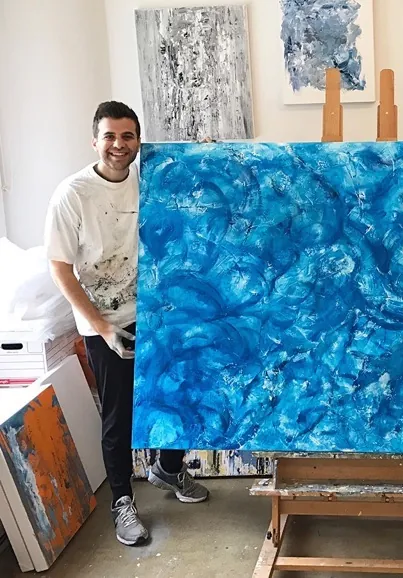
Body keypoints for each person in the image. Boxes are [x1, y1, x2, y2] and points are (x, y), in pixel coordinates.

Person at [44, 101, 209, 547]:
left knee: (182, 394)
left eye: (128, 136)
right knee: (119, 417)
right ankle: (122, 501)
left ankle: (168, 469)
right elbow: (59, 267)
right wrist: (101, 327)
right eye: (110, 136)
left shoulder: (148, 182)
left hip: (156, 314)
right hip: (105, 323)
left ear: (138, 140)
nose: (119, 145)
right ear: (94, 141)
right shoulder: (73, 194)